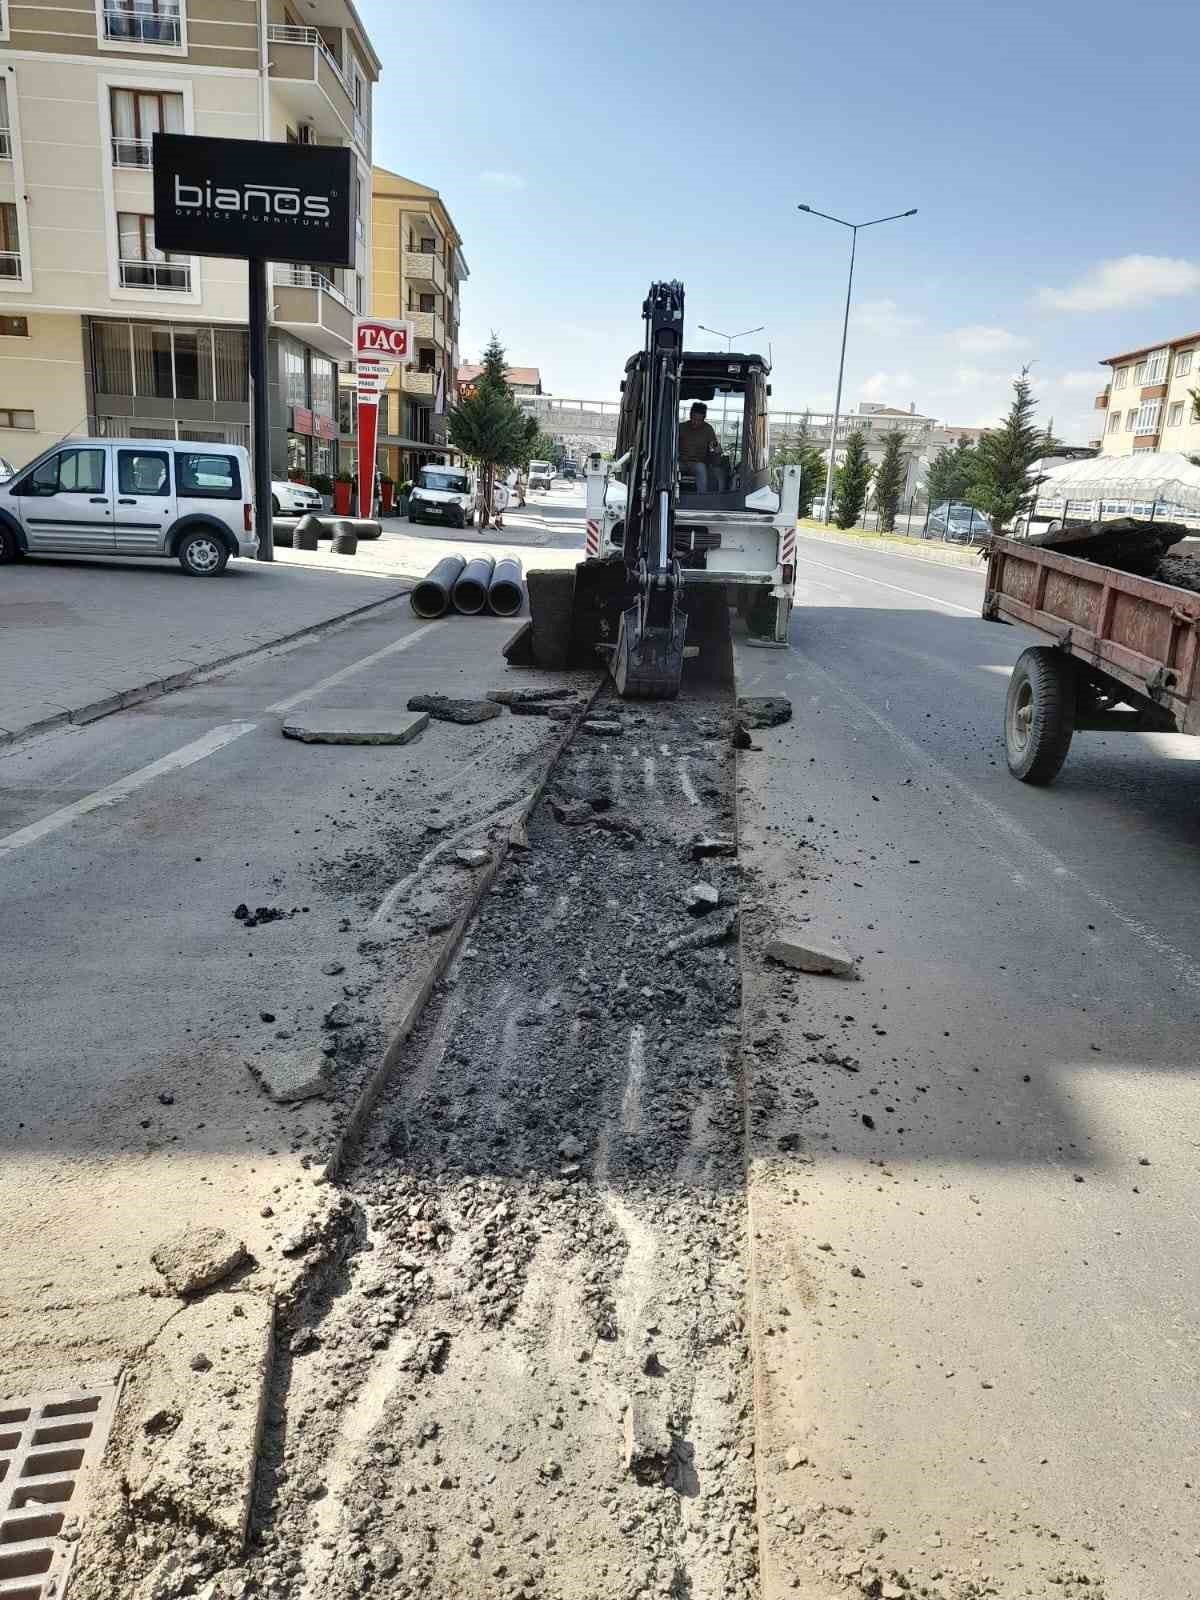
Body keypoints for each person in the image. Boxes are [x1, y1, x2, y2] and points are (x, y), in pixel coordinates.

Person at [678, 401, 721, 492]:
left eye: (699, 420)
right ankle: (669, 495)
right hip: (681, 462)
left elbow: (713, 446)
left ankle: (701, 497)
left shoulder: (708, 430)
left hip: (697, 464)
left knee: (701, 468)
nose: (696, 422)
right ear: (690, 416)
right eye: (694, 419)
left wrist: (716, 449)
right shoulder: (681, 427)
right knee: (671, 467)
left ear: (703, 419)